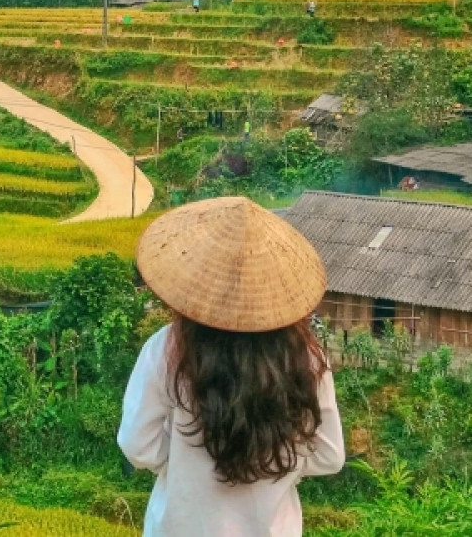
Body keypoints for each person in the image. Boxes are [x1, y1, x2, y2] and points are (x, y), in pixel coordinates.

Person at [118, 198, 344, 537]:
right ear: (277, 287)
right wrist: (278, 462)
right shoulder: (307, 359)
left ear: (198, 278)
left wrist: (186, 463)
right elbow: (329, 456)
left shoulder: (168, 349)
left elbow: (138, 445)